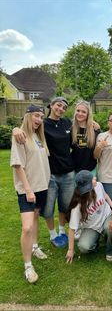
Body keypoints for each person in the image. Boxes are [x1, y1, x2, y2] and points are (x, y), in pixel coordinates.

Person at [13, 97, 75, 248]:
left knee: (64, 206)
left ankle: (62, 231)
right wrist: (15, 130)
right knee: (47, 209)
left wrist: (92, 123)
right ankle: (53, 234)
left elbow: (82, 126)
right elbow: (24, 128)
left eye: (64, 107)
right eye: (58, 105)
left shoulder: (67, 123)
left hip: (68, 173)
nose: (61, 109)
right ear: (51, 106)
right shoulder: (43, 124)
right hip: (50, 175)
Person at [10, 104, 50, 284]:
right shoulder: (20, 136)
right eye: (36, 115)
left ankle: (35, 247)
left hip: (42, 187)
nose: (39, 120)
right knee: (26, 227)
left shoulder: (38, 136)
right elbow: (18, 164)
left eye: (41, 117)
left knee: (35, 217)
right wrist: (27, 189)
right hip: (28, 189)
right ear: (27, 116)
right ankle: (28, 265)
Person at [65, 170, 112, 263]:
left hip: (106, 217)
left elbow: (105, 195)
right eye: (93, 178)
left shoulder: (99, 185)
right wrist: (70, 250)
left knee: (109, 228)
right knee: (83, 247)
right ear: (87, 186)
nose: (95, 178)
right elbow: (71, 229)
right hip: (92, 227)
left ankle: (111, 250)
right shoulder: (78, 205)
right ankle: (96, 241)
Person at [71, 100, 100, 176]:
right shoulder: (70, 128)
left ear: (88, 114)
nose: (80, 113)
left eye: (83, 112)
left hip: (90, 170)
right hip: (74, 170)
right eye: (78, 110)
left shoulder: (95, 129)